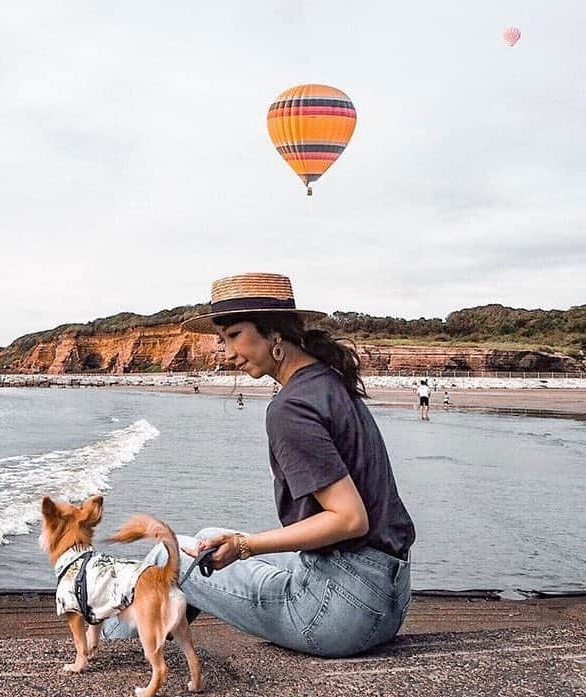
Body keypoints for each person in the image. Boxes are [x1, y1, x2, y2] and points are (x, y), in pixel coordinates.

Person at [102, 272, 415, 658]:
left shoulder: (291, 408)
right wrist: (238, 542)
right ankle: (145, 636)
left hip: (340, 612)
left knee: (172, 556)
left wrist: (246, 545)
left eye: (234, 336)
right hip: (389, 599)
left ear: (274, 333)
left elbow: (350, 520)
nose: (228, 352)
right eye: (222, 340)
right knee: (206, 538)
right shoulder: (327, 382)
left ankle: (105, 649)